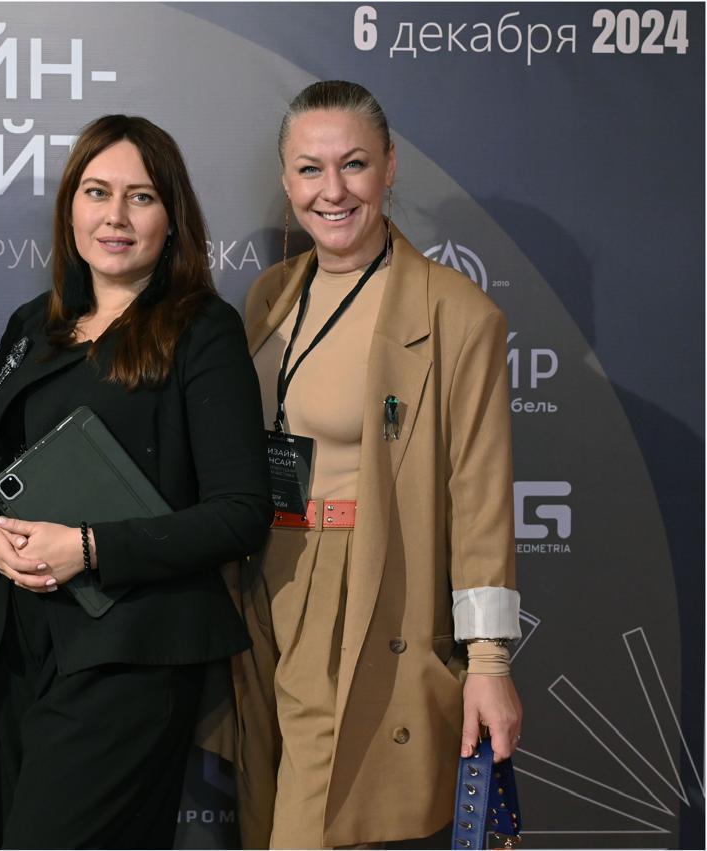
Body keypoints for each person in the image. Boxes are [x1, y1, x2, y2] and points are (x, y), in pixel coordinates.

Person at [0, 114, 272, 849]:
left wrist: (88, 547)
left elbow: (241, 512)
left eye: (140, 197)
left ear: (172, 217)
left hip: (132, 651)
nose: (115, 216)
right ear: (71, 208)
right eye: (96, 192)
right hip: (20, 643)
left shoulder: (202, 329)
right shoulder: (34, 324)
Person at [231, 80, 524, 849]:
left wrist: (488, 660)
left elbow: (481, 502)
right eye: (310, 169)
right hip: (263, 579)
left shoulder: (457, 315)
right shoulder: (270, 296)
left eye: (354, 164)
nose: (332, 191)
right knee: (261, 812)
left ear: (389, 167)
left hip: (358, 591)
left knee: (311, 827)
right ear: (286, 179)